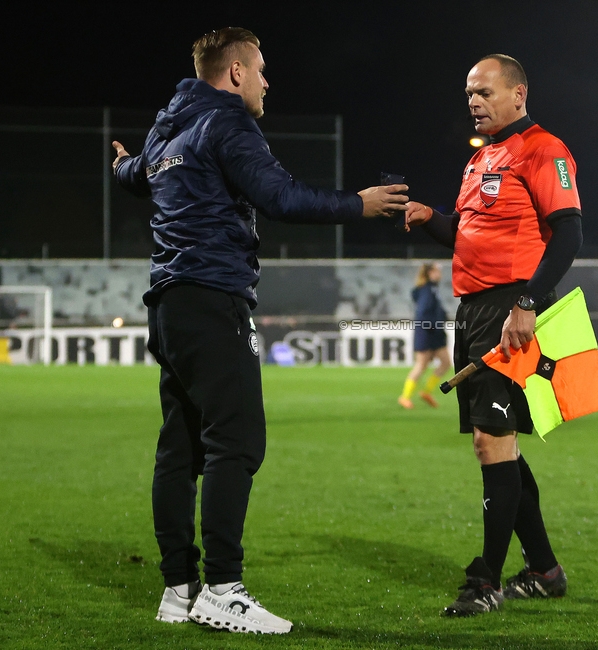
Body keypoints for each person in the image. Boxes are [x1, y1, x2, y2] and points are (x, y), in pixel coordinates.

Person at [112, 27, 408, 634]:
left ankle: (178, 591)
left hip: (167, 305)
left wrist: (118, 165)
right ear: (237, 72)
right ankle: (223, 589)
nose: (268, 81)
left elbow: (138, 174)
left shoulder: (167, 129)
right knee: (237, 443)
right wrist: (358, 204)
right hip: (213, 298)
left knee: (181, 449)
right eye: (262, 69)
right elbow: (279, 197)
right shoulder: (225, 124)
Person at [404, 54, 583, 617]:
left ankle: (486, 580)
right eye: (468, 94)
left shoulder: (543, 149)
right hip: (475, 310)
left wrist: (527, 303)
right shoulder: (483, 160)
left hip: (511, 308)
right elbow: (466, 235)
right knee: (497, 444)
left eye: (484, 92)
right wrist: (425, 215)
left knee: (492, 443)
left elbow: (570, 233)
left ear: (518, 95)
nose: (474, 102)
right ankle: (544, 569)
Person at [399, 262, 451, 409]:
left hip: (434, 333)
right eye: (437, 271)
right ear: (430, 273)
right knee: (421, 365)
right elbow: (423, 313)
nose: (439, 274)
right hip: (427, 333)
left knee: (446, 363)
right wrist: (433, 326)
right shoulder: (427, 290)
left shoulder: (432, 289)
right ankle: (405, 397)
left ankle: (426, 392)